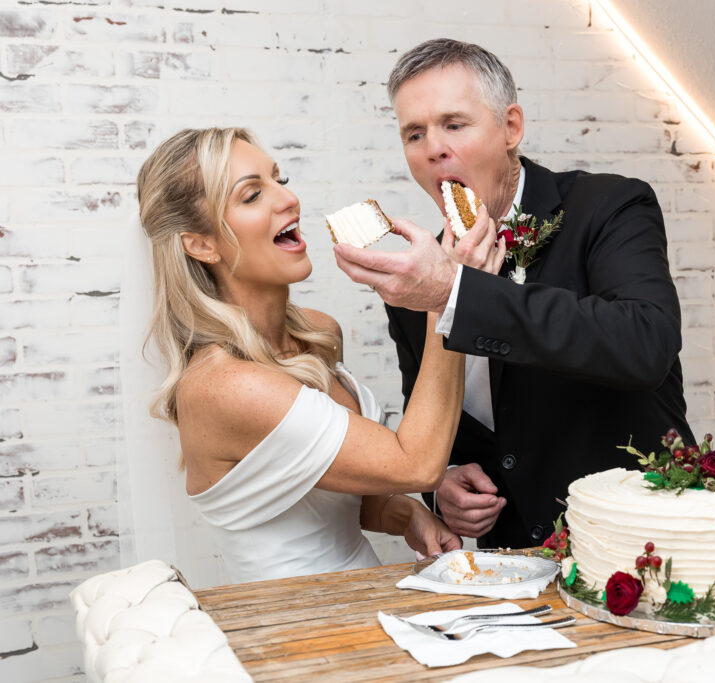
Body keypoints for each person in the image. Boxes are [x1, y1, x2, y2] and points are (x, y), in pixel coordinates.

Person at [333, 39, 698, 550]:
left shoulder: (610, 205)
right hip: (509, 566)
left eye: (454, 124)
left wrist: (458, 291)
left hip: (641, 541)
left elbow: (645, 344)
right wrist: (444, 481)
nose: (433, 147)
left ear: (511, 128)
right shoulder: (416, 274)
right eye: (414, 133)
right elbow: (434, 419)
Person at [135, 127, 484, 583]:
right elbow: (415, 463)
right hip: (293, 625)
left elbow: (330, 486)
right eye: (252, 194)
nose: (288, 199)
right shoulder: (225, 385)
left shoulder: (320, 333)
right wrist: (444, 298)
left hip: (366, 598)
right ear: (200, 244)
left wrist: (405, 516)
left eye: (280, 179)